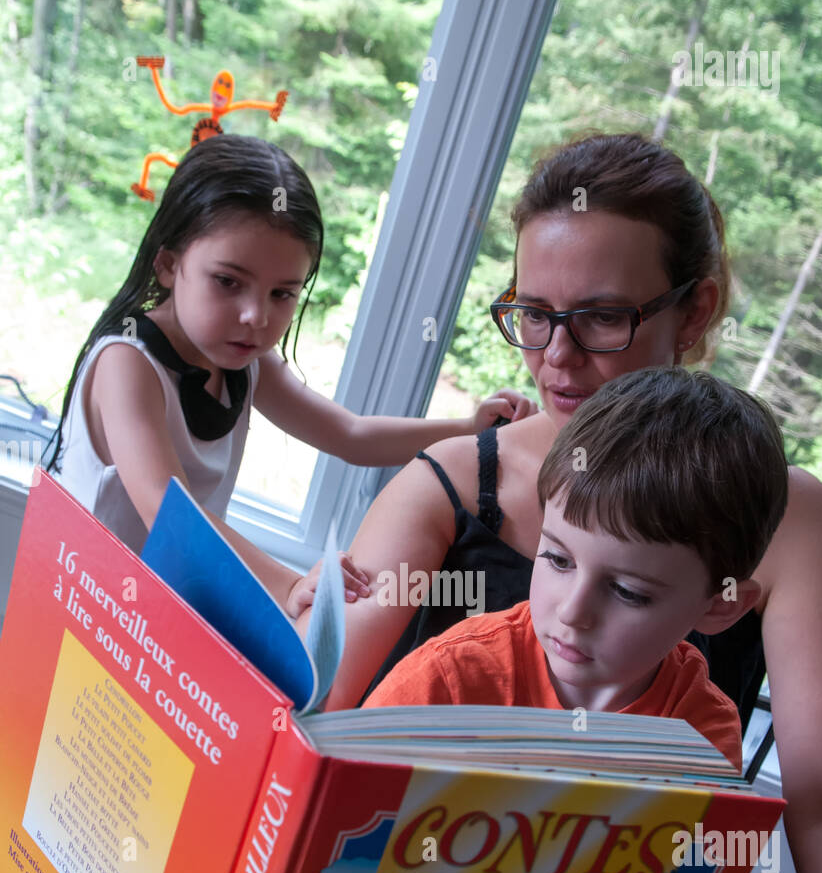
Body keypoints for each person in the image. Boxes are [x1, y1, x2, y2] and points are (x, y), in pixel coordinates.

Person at [306, 131, 822, 873]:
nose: (554, 357)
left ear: (691, 310)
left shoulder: (773, 516)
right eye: (530, 312)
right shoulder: (452, 486)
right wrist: (315, 613)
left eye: (599, 318)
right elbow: (329, 731)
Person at [45, 135, 533, 617]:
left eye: (282, 294)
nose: (255, 316)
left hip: (152, 610)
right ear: (169, 264)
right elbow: (166, 509)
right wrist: (290, 584)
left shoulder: (246, 363)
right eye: (228, 282)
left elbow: (351, 435)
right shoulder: (128, 364)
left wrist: (469, 430)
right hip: (77, 607)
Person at [365, 366, 780, 784]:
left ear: (719, 606)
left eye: (628, 591)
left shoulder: (699, 730)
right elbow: (352, 800)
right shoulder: (450, 675)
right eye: (559, 560)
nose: (572, 611)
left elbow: (702, 849)